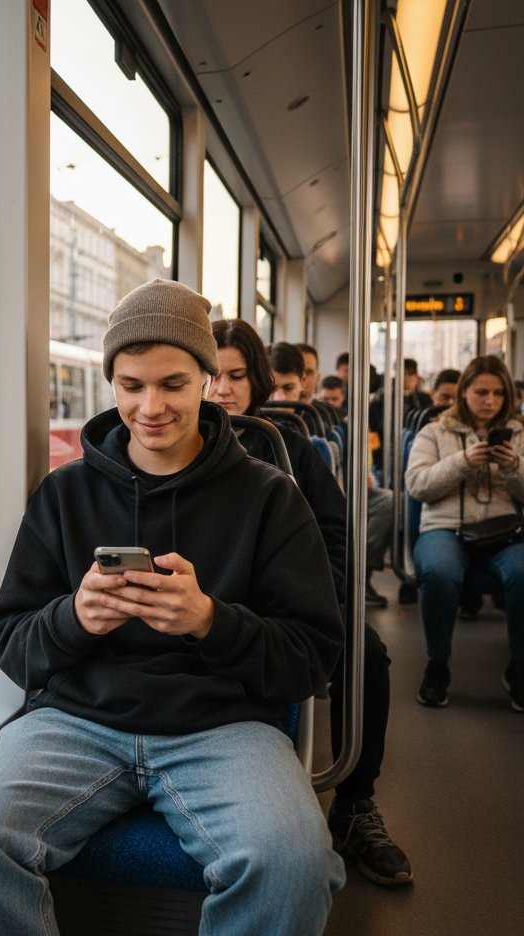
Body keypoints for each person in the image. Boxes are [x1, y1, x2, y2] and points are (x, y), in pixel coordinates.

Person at [0, 280, 346, 936]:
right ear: (109, 382)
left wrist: (211, 621)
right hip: (79, 722)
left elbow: (313, 659)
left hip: (224, 726)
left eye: (173, 384)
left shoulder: (269, 498)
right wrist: (76, 618)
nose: (151, 407)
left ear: (209, 381)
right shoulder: (64, 496)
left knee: (292, 865)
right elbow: (17, 648)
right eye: (131, 385)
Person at [210, 320, 412, 886]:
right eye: (210, 376)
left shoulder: (292, 451)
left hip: (286, 598)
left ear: (258, 383)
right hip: (208, 605)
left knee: (366, 650)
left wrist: (306, 597)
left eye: (236, 376)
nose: (221, 390)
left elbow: (336, 539)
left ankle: (355, 803)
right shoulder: (168, 448)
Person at [405, 355, 524, 710]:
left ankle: (519, 665)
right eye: (481, 392)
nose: (490, 401)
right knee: (439, 572)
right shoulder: (434, 431)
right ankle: (437, 664)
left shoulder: (519, 434)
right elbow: (418, 485)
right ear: (464, 392)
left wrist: (514, 468)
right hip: (446, 528)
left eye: (499, 394)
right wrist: (462, 462)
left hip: (506, 529)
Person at [267, 343, 392, 607]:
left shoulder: (320, 428)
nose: (279, 399)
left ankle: (363, 572)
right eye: (272, 388)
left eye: (287, 388)